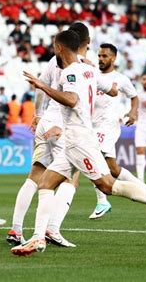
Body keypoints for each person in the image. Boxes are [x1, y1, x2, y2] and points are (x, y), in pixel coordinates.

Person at [11, 30, 146, 257]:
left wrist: (44, 87)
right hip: (75, 138)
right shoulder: (89, 69)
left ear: (60, 48)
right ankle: (38, 238)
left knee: (107, 186)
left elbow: (72, 100)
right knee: (46, 184)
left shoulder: (69, 73)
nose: (53, 50)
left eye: (54, 46)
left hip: (79, 140)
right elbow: (112, 90)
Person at [7, 22, 93, 248]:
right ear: (86, 42)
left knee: (34, 176)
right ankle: (51, 229)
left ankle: (16, 229)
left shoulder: (53, 61)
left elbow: (39, 87)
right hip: (62, 125)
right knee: (70, 178)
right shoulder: (82, 66)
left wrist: (37, 115)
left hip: (45, 121)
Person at [90, 43, 146, 218]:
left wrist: (133, 112)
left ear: (113, 58)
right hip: (93, 125)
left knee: (93, 159)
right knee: (113, 169)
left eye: (105, 56)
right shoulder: (93, 76)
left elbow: (134, 97)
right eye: (99, 56)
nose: (101, 59)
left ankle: (102, 201)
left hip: (108, 126)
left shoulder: (120, 79)